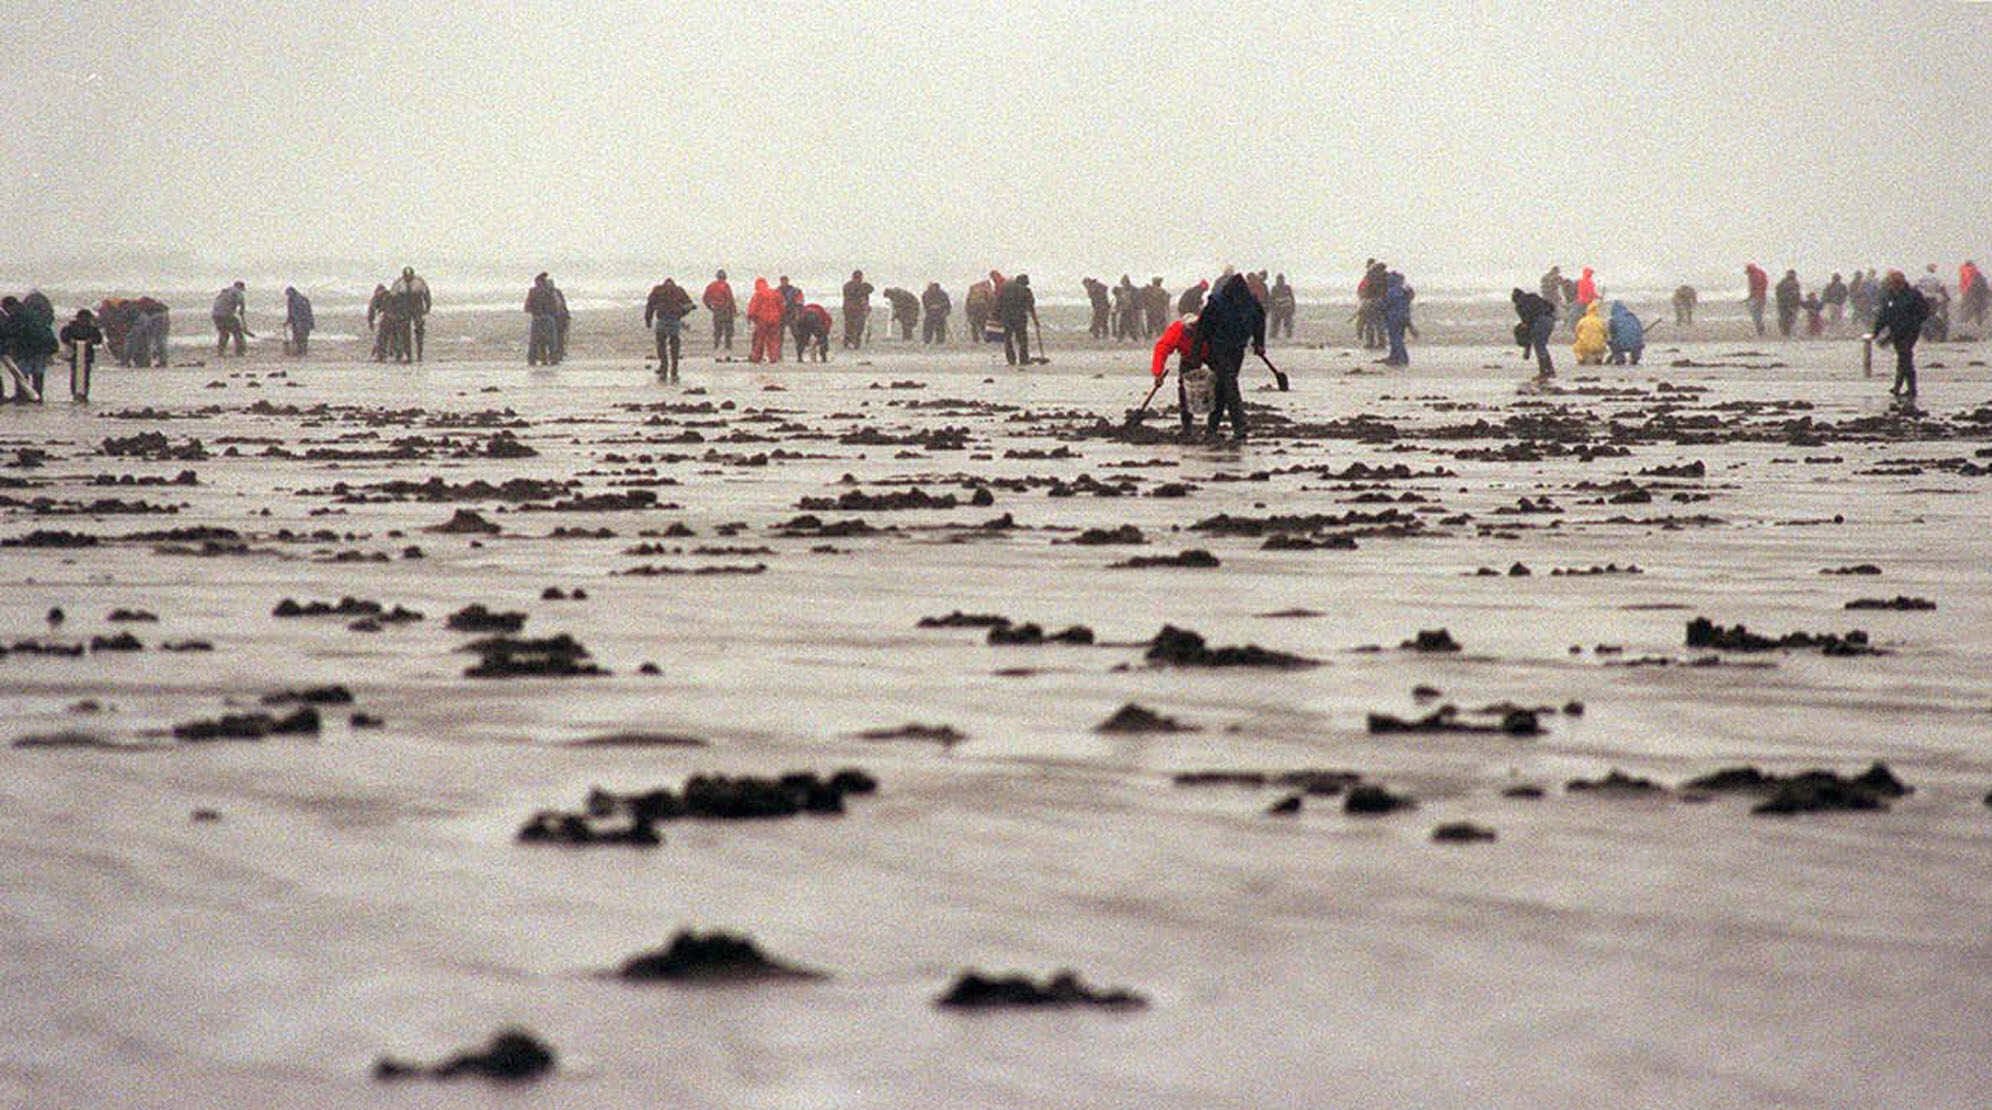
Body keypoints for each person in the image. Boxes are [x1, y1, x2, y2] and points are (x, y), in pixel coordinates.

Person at [1194, 274, 1264, 441]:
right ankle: (1240, 426)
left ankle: (1212, 428)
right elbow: (1203, 327)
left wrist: (1259, 343)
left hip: (1237, 348)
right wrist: (1197, 352)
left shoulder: (1250, 302)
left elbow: (1259, 321)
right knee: (1230, 384)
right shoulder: (1218, 302)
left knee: (1222, 388)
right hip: (1218, 349)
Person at [1871, 270, 1929, 398]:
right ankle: (1900, 388)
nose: (1894, 285)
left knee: (1905, 356)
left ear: (1902, 282)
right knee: (1903, 358)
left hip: (1910, 331)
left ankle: (1908, 389)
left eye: (1896, 282)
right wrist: (1876, 332)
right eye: (1891, 283)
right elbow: (1883, 316)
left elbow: (1924, 312)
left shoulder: (1914, 295)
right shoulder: (1888, 296)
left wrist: (1914, 323)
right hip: (1895, 331)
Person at [1151, 311, 1204, 435]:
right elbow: (1162, 348)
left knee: (1222, 385)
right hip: (1188, 356)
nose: (1193, 331)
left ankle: (1214, 425)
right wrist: (1158, 373)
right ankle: (1187, 425)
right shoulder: (1177, 330)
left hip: (1211, 352)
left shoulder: (1211, 327)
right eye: (1190, 329)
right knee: (1185, 388)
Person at [3, 294, 57, 401]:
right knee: (38, 372)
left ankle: (22, 395)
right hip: (42, 345)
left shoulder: (17, 316)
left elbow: (14, 332)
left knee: (22, 371)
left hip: (28, 347)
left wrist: (10, 345)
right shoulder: (31, 312)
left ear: (9, 306)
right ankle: (38, 395)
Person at [644, 277, 696, 381]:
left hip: (662, 319)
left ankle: (664, 368)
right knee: (675, 345)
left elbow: (650, 306)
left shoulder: (658, 290)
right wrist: (681, 314)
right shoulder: (679, 291)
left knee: (661, 344)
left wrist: (648, 320)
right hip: (674, 320)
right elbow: (690, 305)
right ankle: (674, 371)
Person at [995, 273, 1039, 366]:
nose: (1028, 283)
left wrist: (996, 317)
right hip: (1020, 318)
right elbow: (1030, 307)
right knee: (1022, 339)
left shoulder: (1004, 289)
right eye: (1027, 282)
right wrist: (1035, 320)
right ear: (1024, 281)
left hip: (1006, 318)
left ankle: (1011, 360)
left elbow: (998, 304)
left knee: (1008, 339)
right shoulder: (1026, 291)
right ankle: (1023, 359)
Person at [59, 308, 103, 401]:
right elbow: (64, 336)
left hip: (87, 356)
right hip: (74, 355)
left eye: (87, 319)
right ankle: (76, 393)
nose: (85, 321)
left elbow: (98, 339)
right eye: (83, 319)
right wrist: (71, 341)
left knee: (86, 375)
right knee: (75, 374)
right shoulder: (70, 327)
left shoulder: (92, 329)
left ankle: (84, 393)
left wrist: (91, 341)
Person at [1512, 287, 1557, 377]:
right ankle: (1550, 371)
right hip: (1550, 320)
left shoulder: (1519, 305)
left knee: (1539, 346)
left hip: (1540, 322)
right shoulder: (1534, 297)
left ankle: (1544, 372)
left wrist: (1527, 350)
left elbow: (1527, 323)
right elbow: (1552, 306)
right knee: (1542, 346)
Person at [390, 267, 432, 361]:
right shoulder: (398, 283)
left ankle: (419, 354)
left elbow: (426, 294)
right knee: (405, 331)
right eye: (406, 276)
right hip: (404, 307)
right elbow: (392, 298)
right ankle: (408, 354)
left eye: (410, 276)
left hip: (417, 306)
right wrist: (394, 311)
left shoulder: (419, 282)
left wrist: (428, 306)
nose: (408, 278)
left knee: (419, 329)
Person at [746, 278, 784, 364]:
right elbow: (781, 306)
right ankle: (773, 357)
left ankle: (756, 357)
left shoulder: (758, 294)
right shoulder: (775, 293)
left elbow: (753, 308)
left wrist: (750, 317)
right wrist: (780, 316)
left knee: (759, 339)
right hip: (775, 319)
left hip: (762, 320)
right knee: (773, 339)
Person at [524, 273, 559, 365]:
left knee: (535, 341)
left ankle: (533, 359)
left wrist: (534, 311)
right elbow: (556, 305)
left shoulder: (532, 291)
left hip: (537, 318)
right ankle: (553, 359)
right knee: (551, 341)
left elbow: (527, 307)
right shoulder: (550, 291)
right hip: (548, 317)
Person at [1380, 271, 1413, 366]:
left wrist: (1381, 307)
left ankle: (1402, 358)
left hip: (1393, 317)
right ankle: (1395, 357)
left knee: (1395, 339)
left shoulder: (1392, 291)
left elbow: (1386, 304)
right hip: (1404, 316)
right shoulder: (1404, 291)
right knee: (1399, 338)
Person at [703, 270, 737, 352]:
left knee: (717, 330)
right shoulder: (725, 286)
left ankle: (716, 345)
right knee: (728, 330)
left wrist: (710, 307)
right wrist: (734, 310)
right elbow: (730, 299)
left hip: (717, 310)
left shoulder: (711, 286)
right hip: (727, 310)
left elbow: (705, 298)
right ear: (725, 277)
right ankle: (728, 347)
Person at [211, 281, 248, 356]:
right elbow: (241, 311)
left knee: (223, 333)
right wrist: (244, 325)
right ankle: (240, 352)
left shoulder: (225, 291)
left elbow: (218, 303)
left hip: (216, 314)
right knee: (238, 332)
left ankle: (220, 352)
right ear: (241, 287)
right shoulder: (238, 293)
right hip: (226, 314)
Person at [841, 270, 873, 349]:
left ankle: (848, 342)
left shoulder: (847, 285)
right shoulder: (861, 286)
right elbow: (870, 289)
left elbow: (870, 289)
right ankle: (855, 342)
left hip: (848, 308)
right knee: (858, 326)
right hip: (857, 309)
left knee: (849, 326)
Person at [283, 286, 314, 355]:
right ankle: (301, 351)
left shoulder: (298, 300)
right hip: (300, 322)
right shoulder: (297, 299)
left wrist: (290, 321)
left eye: (288, 294)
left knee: (301, 338)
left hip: (302, 322)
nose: (288, 296)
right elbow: (291, 313)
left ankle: (301, 352)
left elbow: (304, 312)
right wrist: (288, 321)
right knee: (300, 338)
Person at [965, 278, 996, 345]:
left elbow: (968, 304)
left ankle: (975, 339)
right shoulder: (988, 293)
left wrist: (968, 313)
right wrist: (991, 311)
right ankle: (986, 338)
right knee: (983, 326)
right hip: (983, 312)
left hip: (974, 312)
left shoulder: (972, 294)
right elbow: (992, 303)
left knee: (974, 326)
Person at [1959, 260, 1988, 332]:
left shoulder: (1963, 272)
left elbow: (1962, 284)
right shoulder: (1976, 273)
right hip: (1977, 295)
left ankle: (1963, 327)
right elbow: (1983, 285)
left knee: (1966, 311)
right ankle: (1979, 326)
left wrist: (1963, 292)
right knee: (1978, 312)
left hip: (1967, 294)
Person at [367, 284, 393, 361]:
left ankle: (380, 355)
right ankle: (392, 354)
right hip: (394, 318)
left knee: (380, 338)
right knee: (392, 338)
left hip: (384, 318)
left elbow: (371, 311)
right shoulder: (391, 296)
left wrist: (370, 322)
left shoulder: (376, 298)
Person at [1774, 269, 1802, 338]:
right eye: (1790, 274)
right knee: (1785, 319)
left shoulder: (1795, 283)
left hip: (1791, 304)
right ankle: (1786, 333)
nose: (1791, 275)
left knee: (1790, 320)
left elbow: (1796, 294)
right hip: (1784, 304)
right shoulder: (1783, 283)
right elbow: (1778, 292)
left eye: (1792, 274)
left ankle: (1787, 333)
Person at [1268, 274, 1296, 339]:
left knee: (1288, 325)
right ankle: (1273, 337)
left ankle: (1289, 336)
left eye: (1281, 279)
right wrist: (1272, 308)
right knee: (1275, 325)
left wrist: (1293, 308)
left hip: (1287, 309)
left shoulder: (1287, 288)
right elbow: (1271, 299)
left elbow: (1292, 298)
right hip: (1277, 309)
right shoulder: (1274, 288)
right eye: (1279, 279)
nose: (1280, 281)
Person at [1744, 263, 1769, 336]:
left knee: (1755, 313)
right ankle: (1760, 327)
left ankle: (1759, 328)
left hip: (1757, 297)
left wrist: (1751, 296)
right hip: (1762, 297)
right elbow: (1763, 286)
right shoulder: (1761, 273)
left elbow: (1754, 287)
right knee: (1759, 313)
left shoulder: (1754, 276)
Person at [1114, 275, 1140, 340]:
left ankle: (1134, 338)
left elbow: (1136, 300)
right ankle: (1120, 338)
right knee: (1122, 324)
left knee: (1131, 324)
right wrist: (1117, 308)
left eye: (1124, 282)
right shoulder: (1121, 290)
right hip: (1124, 309)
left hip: (1131, 309)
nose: (1123, 284)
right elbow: (1119, 300)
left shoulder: (1134, 290)